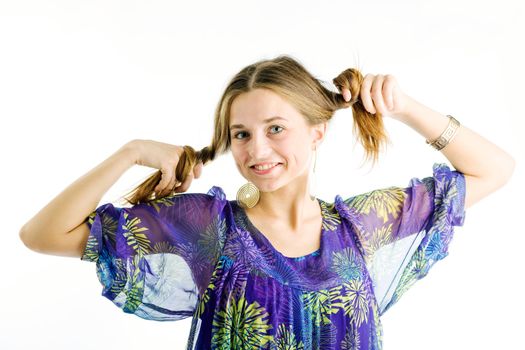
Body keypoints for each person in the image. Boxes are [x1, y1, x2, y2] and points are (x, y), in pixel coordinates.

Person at [19, 55, 515, 349]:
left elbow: (494, 169)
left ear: (317, 132)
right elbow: (41, 235)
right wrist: (131, 153)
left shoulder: (361, 225)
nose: (257, 150)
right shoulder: (205, 226)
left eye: (276, 129)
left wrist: (403, 106)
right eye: (241, 134)